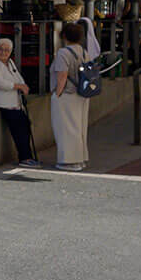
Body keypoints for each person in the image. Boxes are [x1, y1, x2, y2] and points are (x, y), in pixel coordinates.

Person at [0, 37, 38, 167]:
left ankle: (27, 157)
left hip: (13, 104)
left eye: (7, 50)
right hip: (1, 103)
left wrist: (23, 85)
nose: (3, 52)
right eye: (0, 49)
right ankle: (25, 158)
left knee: (25, 126)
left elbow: (18, 77)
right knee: (20, 129)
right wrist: (18, 86)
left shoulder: (9, 62)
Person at [49, 19, 92, 171]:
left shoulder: (63, 53)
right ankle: (80, 159)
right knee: (80, 127)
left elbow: (62, 75)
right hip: (82, 93)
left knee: (66, 128)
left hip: (67, 94)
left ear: (64, 36)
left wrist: (57, 93)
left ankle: (69, 160)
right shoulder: (84, 52)